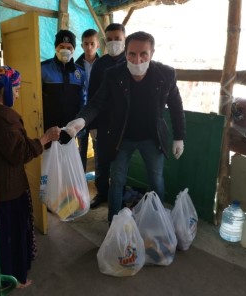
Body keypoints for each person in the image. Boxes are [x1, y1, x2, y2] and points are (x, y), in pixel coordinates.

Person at [65, 31, 186, 223]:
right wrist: (81, 121)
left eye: (143, 54)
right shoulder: (113, 74)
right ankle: (114, 223)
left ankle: (158, 221)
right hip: (122, 136)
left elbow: (176, 106)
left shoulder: (166, 74)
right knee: (117, 179)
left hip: (152, 137)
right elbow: (96, 103)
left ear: (152, 53)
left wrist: (179, 136)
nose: (137, 60)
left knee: (156, 179)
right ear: (125, 52)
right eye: (132, 54)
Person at [0, 65, 60, 288]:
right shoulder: (5, 119)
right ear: (4, 90)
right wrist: (45, 139)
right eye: (16, 89)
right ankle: (14, 279)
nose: (18, 94)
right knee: (12, 235)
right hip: (8, 189)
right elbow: (20, 154)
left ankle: (5, 276)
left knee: (3, 234)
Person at [86, 23, 127, 209]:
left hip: (125, 123)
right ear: (104, 41)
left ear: (125, 40)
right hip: (102, 122)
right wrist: (92, 124)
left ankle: (120, 193)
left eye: (117, 39)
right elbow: (92, 95)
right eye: (109, 39)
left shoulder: (130, 62)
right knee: (101, 161)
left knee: (122, 161)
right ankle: (102, 192)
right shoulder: (100, 64)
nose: (113, 43)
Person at [41, 29, 85, 141]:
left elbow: (82, 99)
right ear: (55, 47)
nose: (65, 50)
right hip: (48, 128)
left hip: (70, 128)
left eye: (69, 47)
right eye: (61, 46)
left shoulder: (80, 72)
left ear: (74, 49)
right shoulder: (43, 69)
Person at [75, 28, 100, 172]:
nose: (89, 47)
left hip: (98, 115)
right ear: (81, 45)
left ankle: (98, 184)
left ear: (97, 45)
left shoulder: (104, 64)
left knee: (98, 150)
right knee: (81, 149)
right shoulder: (75, 65)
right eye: (86, 43)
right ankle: (80, 184)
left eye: (92, 43)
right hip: (81, 113)